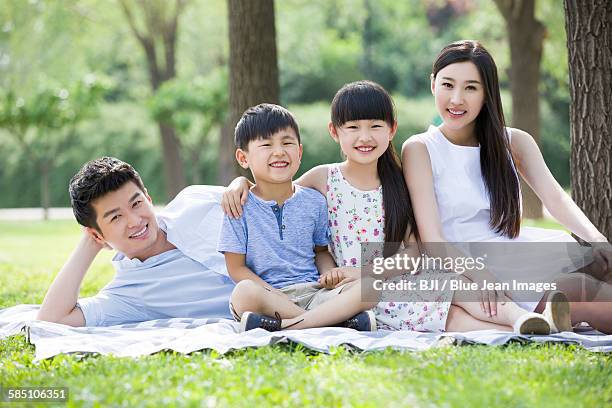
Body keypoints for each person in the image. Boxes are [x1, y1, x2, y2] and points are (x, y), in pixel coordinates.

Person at [222, 82, 564, 334]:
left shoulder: (398, 182)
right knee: (448, 317)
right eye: (353, 127)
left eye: (375, 126)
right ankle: (516, 331)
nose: (364, 136)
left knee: (456, 286)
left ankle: (518, 319)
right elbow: (276, 189)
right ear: (334, 133)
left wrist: (367, 274)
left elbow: (413, 253)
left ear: (392, 130)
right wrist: (238, 183)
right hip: (354, 294)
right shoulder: (323, 179)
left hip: (382, 282)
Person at [402, 40, 612, 333]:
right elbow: (432, 239)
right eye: (448, 85)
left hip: (515, 250)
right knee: (579, 289)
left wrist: (596, 238)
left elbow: (554, 198)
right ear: (433, 84)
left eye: (471, 88)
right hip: (470, 264)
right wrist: (480, 275)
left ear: (487, 93)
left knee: (603, 263)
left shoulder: (513, 141)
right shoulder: (420, 149)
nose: (457, 99)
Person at [217, 103, 378, 332]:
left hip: (315, 293)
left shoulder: (314, 201)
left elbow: (320, 252)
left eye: (287, 143)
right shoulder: (238, 205)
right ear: (243, 158)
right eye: (266, 144)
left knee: (370, 287)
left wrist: (329, 274)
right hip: (266, 297)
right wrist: (275, 296)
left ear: (299, 152)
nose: (279, 151)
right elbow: (236, 268)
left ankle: (287, 327)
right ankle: (329, 322)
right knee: (243, 292)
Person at [37, 157, 235, 327]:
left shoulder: (195, 201)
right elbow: (51, 320)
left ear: (148, 198)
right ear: (97, 235)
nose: (135, 221)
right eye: (116, 217)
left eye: (136, 203)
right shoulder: (130, 293)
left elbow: (260, 201)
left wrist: (240, 183)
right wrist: (89, 244)